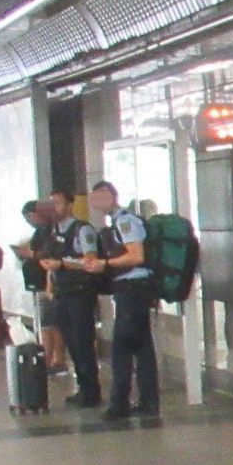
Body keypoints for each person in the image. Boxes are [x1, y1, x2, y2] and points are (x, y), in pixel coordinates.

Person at [69, 181, 160, 422]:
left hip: (133, 290)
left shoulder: (125, 222)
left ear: (112, 196)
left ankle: (119, 404)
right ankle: (149, 402)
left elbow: (136, 255)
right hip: (131, 290)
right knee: (142, 348)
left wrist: (105, 264)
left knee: (122, 347)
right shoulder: (116, 223)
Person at [42, 193, 103, 408]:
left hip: (80, 293)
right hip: (62, 293)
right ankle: (83, 388)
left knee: (82, 341)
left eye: (57, 203)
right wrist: (50, 281)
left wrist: (63, 264)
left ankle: (91, 391)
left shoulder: (82, 230)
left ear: (70, 205)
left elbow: (91, 261)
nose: (53, 208)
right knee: (71, 342)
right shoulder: (54, 231)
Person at [18, 199, 67, 375]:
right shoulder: (42, 231)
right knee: (49, 323)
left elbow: (49, 254)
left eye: (29, 217)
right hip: (42, 282)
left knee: (51, 323)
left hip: (48, 283)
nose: (28, 221)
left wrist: (31, 254)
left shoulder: (51, 230)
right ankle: (51, 359)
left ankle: (53, 360)